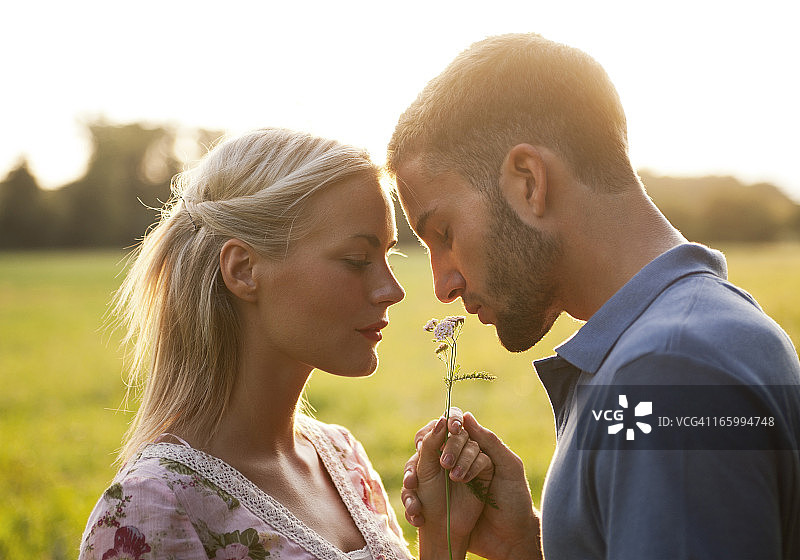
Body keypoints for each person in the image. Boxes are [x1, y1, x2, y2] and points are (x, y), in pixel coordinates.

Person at [389, 34, 800, 559]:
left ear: (528, 182)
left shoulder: (666, 370)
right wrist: (527, 545)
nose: (442, 285)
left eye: (444, 234)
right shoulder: (699, 331)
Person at [79, 128, 492, 560]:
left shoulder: (343, 459)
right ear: (243, 270)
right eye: (357, 261)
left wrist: (445, 537)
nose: (392, 289)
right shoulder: (151, 508)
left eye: (389, 256)